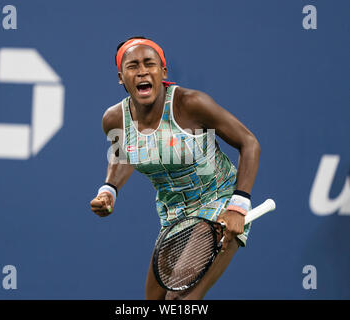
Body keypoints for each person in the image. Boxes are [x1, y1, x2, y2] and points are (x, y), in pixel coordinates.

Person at [90, 36, 260, 300]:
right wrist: (109, 190)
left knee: (179, 300)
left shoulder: (190, 104)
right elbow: (122, 155)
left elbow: (248, 143)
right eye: (133, 66)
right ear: (121, 78)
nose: (143, 71)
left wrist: (238, 206)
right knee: (154, 301)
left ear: (163, 72)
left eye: (150, 64)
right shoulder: (114, 118)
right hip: (173, 215)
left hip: (219, 205)